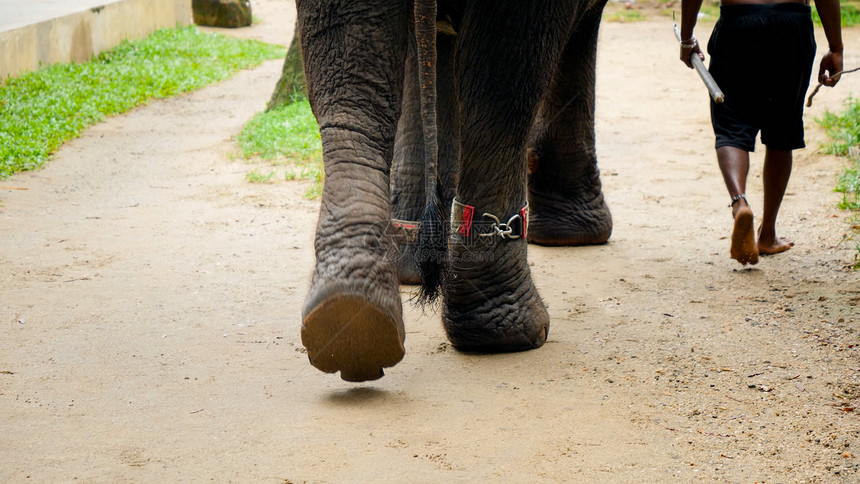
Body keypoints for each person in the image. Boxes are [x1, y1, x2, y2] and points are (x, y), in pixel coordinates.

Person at [679, 0, 844, 265]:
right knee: (781, 130)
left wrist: (686, 38)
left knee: (731, 128)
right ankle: (767, 235)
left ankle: (740, 203)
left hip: (738, 22)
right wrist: (835, 46)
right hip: (793, 25)